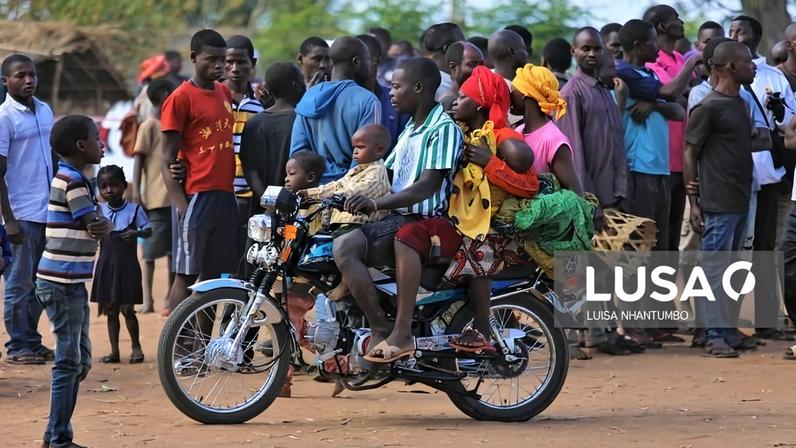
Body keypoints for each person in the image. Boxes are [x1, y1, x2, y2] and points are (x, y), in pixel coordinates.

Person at [365, 66, 539, 361]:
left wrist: (491, 163)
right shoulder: (463, 133)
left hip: (488, 225)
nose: (455, 102)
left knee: (475, 251)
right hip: (463, 217)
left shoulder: (503, 137)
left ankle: (482, 328)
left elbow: (528, 179)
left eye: (463, 97)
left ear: (481, 104)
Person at [333, 57, 462, 352]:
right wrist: (339, 192)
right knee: (333, 244)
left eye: (396, 86)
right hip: (396, 217)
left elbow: (427, 185)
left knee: (345, 248)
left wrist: (375, 203)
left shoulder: (442, 128)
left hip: (421, 222)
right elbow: (386, 173)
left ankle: (389, 329)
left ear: (418, 88)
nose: (390, 93)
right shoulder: (409, 129)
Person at [35, 114, 112, 448]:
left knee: (79, 361)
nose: (101, 143)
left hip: (68, 282)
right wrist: (103, 223)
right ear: (81, 145)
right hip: (61, 283)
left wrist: (101, 224)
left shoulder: (74, 178)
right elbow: (94, 223)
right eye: (96, 138)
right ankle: (58, 438)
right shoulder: (74, 182)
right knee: (69, 363)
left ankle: (55, 433)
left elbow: (96, 224)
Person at [684, 40, 757, 358]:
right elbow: (690, 151)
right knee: (713, 269)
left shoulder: (740, 103)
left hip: (739, 198)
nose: (753, 67)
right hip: (717, 201)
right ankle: (712, 334)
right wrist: (694, 202)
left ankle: (726, 329)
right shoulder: (708, 107)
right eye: (748, 62)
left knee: (728, 268)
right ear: (730, 66)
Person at [160, 29, 238, 315]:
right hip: (195, 195)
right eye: (211, 59)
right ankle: (175, 341)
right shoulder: (180, 98)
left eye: (222, 60)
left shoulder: (223, 92)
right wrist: (181, 205)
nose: (219, 65)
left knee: (213, 277)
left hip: (224, 194)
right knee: (186, 274)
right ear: (194, 58)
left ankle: (203, 341)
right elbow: (166, 157)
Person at [731, 15, 796, 341]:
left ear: (754, 37)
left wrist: (780, 112)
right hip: (734, 176)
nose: (733, 36)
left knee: (765, 247)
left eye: (739, 32)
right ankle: (725, 323)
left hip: (767, 173)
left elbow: (790, 123)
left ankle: (767, 319)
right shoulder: (716, 79)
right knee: (735, 248)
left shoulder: (773, 77)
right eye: (730, 31)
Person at [0, 53, 55, 365]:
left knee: (42, 282)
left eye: (32, 74)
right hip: (20, 213)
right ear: (5, 81)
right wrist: (8, 219)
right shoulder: (4, 118)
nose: (28, 80)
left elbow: (54, 156)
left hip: (48, 210)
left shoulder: (45, 110)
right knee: (19, 283)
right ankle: (18, 345)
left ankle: (31, 340)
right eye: (20, 76)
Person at [615, 19, 686, 251]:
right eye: (653, 42)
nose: (658, 47)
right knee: (638, 244)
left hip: (659, 167)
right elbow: (671, 94)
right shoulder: (623, 73)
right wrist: (692, 63)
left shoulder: (649, 74)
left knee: (659, 243)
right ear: (638, 46)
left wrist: (654, 106)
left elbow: (678, 111)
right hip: (638, 167)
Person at [643, 5, 700, 257]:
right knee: (658, 235)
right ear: (661, 26)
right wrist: (691, 64)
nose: (681, 22)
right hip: (660, 160)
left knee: (675, 232)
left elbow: (688, 96)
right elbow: (671, 93)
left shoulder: (679, 58)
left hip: (683, 159)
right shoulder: (650, 62)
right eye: (675, 18)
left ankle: (668, 281)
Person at [558, 27, 626, 229]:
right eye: (586, 48)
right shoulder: (571, 93)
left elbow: (617, 144)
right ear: (574, 51)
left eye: (597, 49)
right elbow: (572, 156)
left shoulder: (603, 90)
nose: (592, 54)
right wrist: (589, 203)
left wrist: (622, 190)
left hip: (613, 196)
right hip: (592, 202)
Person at [290, 36, 380, 184]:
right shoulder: (368, 100)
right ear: (356, 62)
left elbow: (297, 154)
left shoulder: (309, 96)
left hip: (313, 188)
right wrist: (341, 183)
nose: (371, 66)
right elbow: (366, 159)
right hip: (350, 192)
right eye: (368, 60)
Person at [91, 165, 151, 365]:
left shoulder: (134, 210)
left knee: (127, 309)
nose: (109, 190)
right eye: (103, 186)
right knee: (110, 310)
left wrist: (137, 233)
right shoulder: (98, 210)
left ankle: (136, 347)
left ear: (124, 186)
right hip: (107, 267)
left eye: (114, 185)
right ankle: (114, 351)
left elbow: (148, 230)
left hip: (127, 268)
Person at [279, 149, 327, 397]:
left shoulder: (316, 208)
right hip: (291, 274)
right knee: (291, 324)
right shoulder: (295, 204)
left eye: (292, 174)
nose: (286, 179)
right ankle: (334, 361)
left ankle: (282, 381)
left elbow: (301, 238)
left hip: (304, 278)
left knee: (290, 325)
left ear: (309, 178)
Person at [223, 35, 266, 276]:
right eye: (229, 62)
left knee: (247, 259)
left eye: (241, 62)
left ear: (253, 63)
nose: (234, 68)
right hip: (220, 191)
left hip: (250, 193)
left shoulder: (260, 105)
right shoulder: (215, 100)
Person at [131, 78, 175, 314]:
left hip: (174, 199)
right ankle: (147, 299)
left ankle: (170, 298)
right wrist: (136, 191)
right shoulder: (149, 125)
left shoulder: (173, 124)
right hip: (155, 199)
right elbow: (138, 160)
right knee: (149, 251)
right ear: (165, 95)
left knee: (173, 253)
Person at [299, 124, 392, 233]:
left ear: (379, 150)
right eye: (354, 147)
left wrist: (332, 195)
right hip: (341, 219)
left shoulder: (378, 171)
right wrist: (309, 193)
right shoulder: (356, 169)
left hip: (360, 223)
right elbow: (337, 185)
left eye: (361, 147)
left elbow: (358, 191)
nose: (355, 151)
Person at [511, 64, 584, 196]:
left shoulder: (553, 140)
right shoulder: (517, 132)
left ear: (526, 96)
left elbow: (577, 195)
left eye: (513, 93)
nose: (509, 97)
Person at [241, 63, 306, 202]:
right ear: (296, 85)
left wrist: (270, 201)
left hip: (263, 207)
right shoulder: (302, 120)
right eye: (302, 79)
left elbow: (250, 171)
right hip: (297, 205)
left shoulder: (253, 124)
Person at [358, 34, 410, 149]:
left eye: (358, 60)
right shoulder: (340, 99)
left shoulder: (396, 99)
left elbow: (404, 144)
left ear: (376, 61)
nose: (354, 66)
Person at [419, 22, 465, 101]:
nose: (466, 49)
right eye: (462, 45)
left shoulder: (409, 81)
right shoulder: (451, 87)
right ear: (448, 48)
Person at [440, 41, 484, 110]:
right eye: (472, 64)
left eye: (481, 64)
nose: (479, 70)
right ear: (453, 67)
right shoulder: (450, 105)